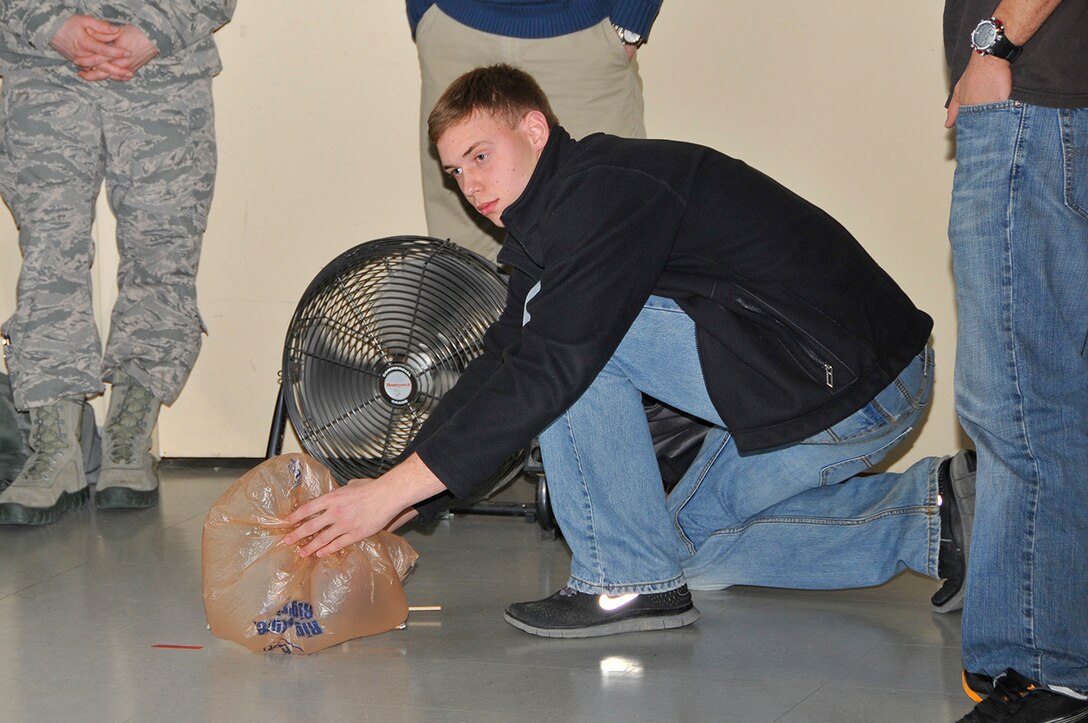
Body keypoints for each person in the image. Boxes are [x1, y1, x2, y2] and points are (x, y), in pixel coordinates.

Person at [284, 64, 975, 639]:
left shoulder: (607, 190)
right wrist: (404, 496)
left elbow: (554, 362)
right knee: (682, 552)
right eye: (455, 171)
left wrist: (394, 490)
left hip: (850, 382)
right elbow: (501, 361)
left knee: (573, 344)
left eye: (481, 155)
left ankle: (624, 579)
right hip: (807, 382)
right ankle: (938, 517)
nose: (469, 185)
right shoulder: (548, 230)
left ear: (534, 128)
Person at [0, 1, 236, 525]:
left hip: (165, 69)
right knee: (48, 257)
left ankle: (130, 433)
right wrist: (50, 25)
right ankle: (56, 446)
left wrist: (155, 28)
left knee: (164, 251)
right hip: (43, 70)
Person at [942, 0, 1088, 719]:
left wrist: (994, 41)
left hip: (1033, 100)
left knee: (1020, 404)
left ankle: (1040, 667)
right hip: (1052, 101)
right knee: (1053, 397)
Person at [407, 0, 661, 259]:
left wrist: (630, 22)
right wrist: (426, 10)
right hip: (455, 26)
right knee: (464, 262)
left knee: (606, 228)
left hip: (585, 35)